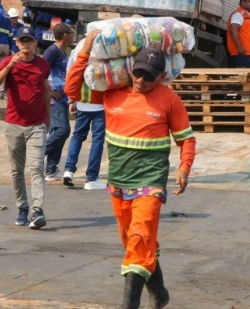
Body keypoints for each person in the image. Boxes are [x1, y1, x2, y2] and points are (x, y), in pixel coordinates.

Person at [68, 30, 196, 309]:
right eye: (138, 73)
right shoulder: (111, 94)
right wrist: (86, 49)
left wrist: (184, 167)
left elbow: (186, 139)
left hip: (151, 183)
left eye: (148, 76)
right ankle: (160, 292)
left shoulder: (169, 100)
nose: (141, 80)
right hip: (119, 183)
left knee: (139, 239)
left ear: (160, 77)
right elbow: (72, 90)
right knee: (133, 241)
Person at [0, 25, 51, 229]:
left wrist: (48, 120)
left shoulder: (42, 65)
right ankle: (22, 207)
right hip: (14, 124)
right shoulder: (9, 61)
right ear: (16, 43)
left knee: (37, 167)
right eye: (22, 41)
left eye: (29, 41)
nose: (26, 44)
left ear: (35, 43)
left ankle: (37, 210)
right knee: (17, 170)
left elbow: (45, 92)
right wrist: (9, 67)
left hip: (37, 125)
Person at [62, 38, 107, 191]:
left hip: (82, 103)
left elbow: (71, 73)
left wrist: (71, 100)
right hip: (100, 104)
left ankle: (68, 170)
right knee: (97, 141)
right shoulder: (108, 47)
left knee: (77, 136)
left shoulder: (80, 47)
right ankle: (91, 178)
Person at [42, 23, 75, 182]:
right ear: (65, 35)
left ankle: (51, 170)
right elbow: (41, 71)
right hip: (55, 99)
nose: (73, 34)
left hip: (63, 97)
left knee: (58, 133)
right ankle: (37, 154)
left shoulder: (63, 51)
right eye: (71, 32)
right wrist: (48, 91)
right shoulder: (52, 51)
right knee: (63, 130)